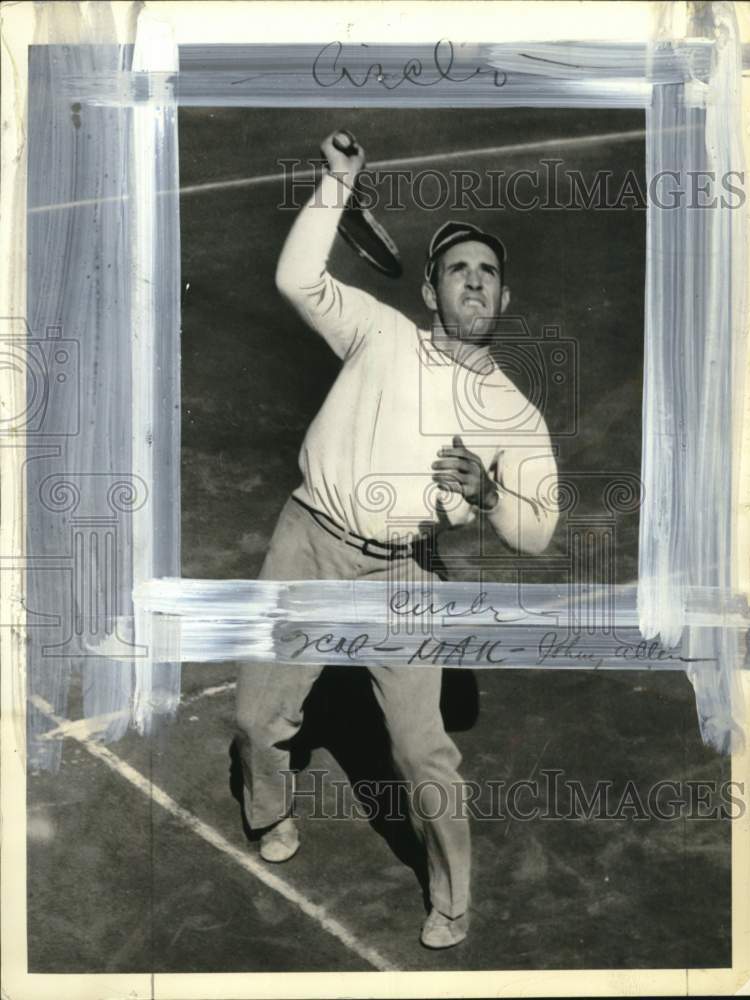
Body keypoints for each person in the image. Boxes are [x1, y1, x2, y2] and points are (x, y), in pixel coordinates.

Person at [235, 130, 559, 949]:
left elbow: (538, 530)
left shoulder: (515, 416)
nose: (474, 281)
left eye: (487, 271)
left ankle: (450, 897)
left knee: (422, 752)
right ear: (430, 291)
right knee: (258, 717)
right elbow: (295, 276)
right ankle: (267, 809)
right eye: (458, 269)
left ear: (503, 300)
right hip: (310, 540)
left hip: (404, 575)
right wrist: (336, 185)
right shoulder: (379, 334)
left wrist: (488, 494)